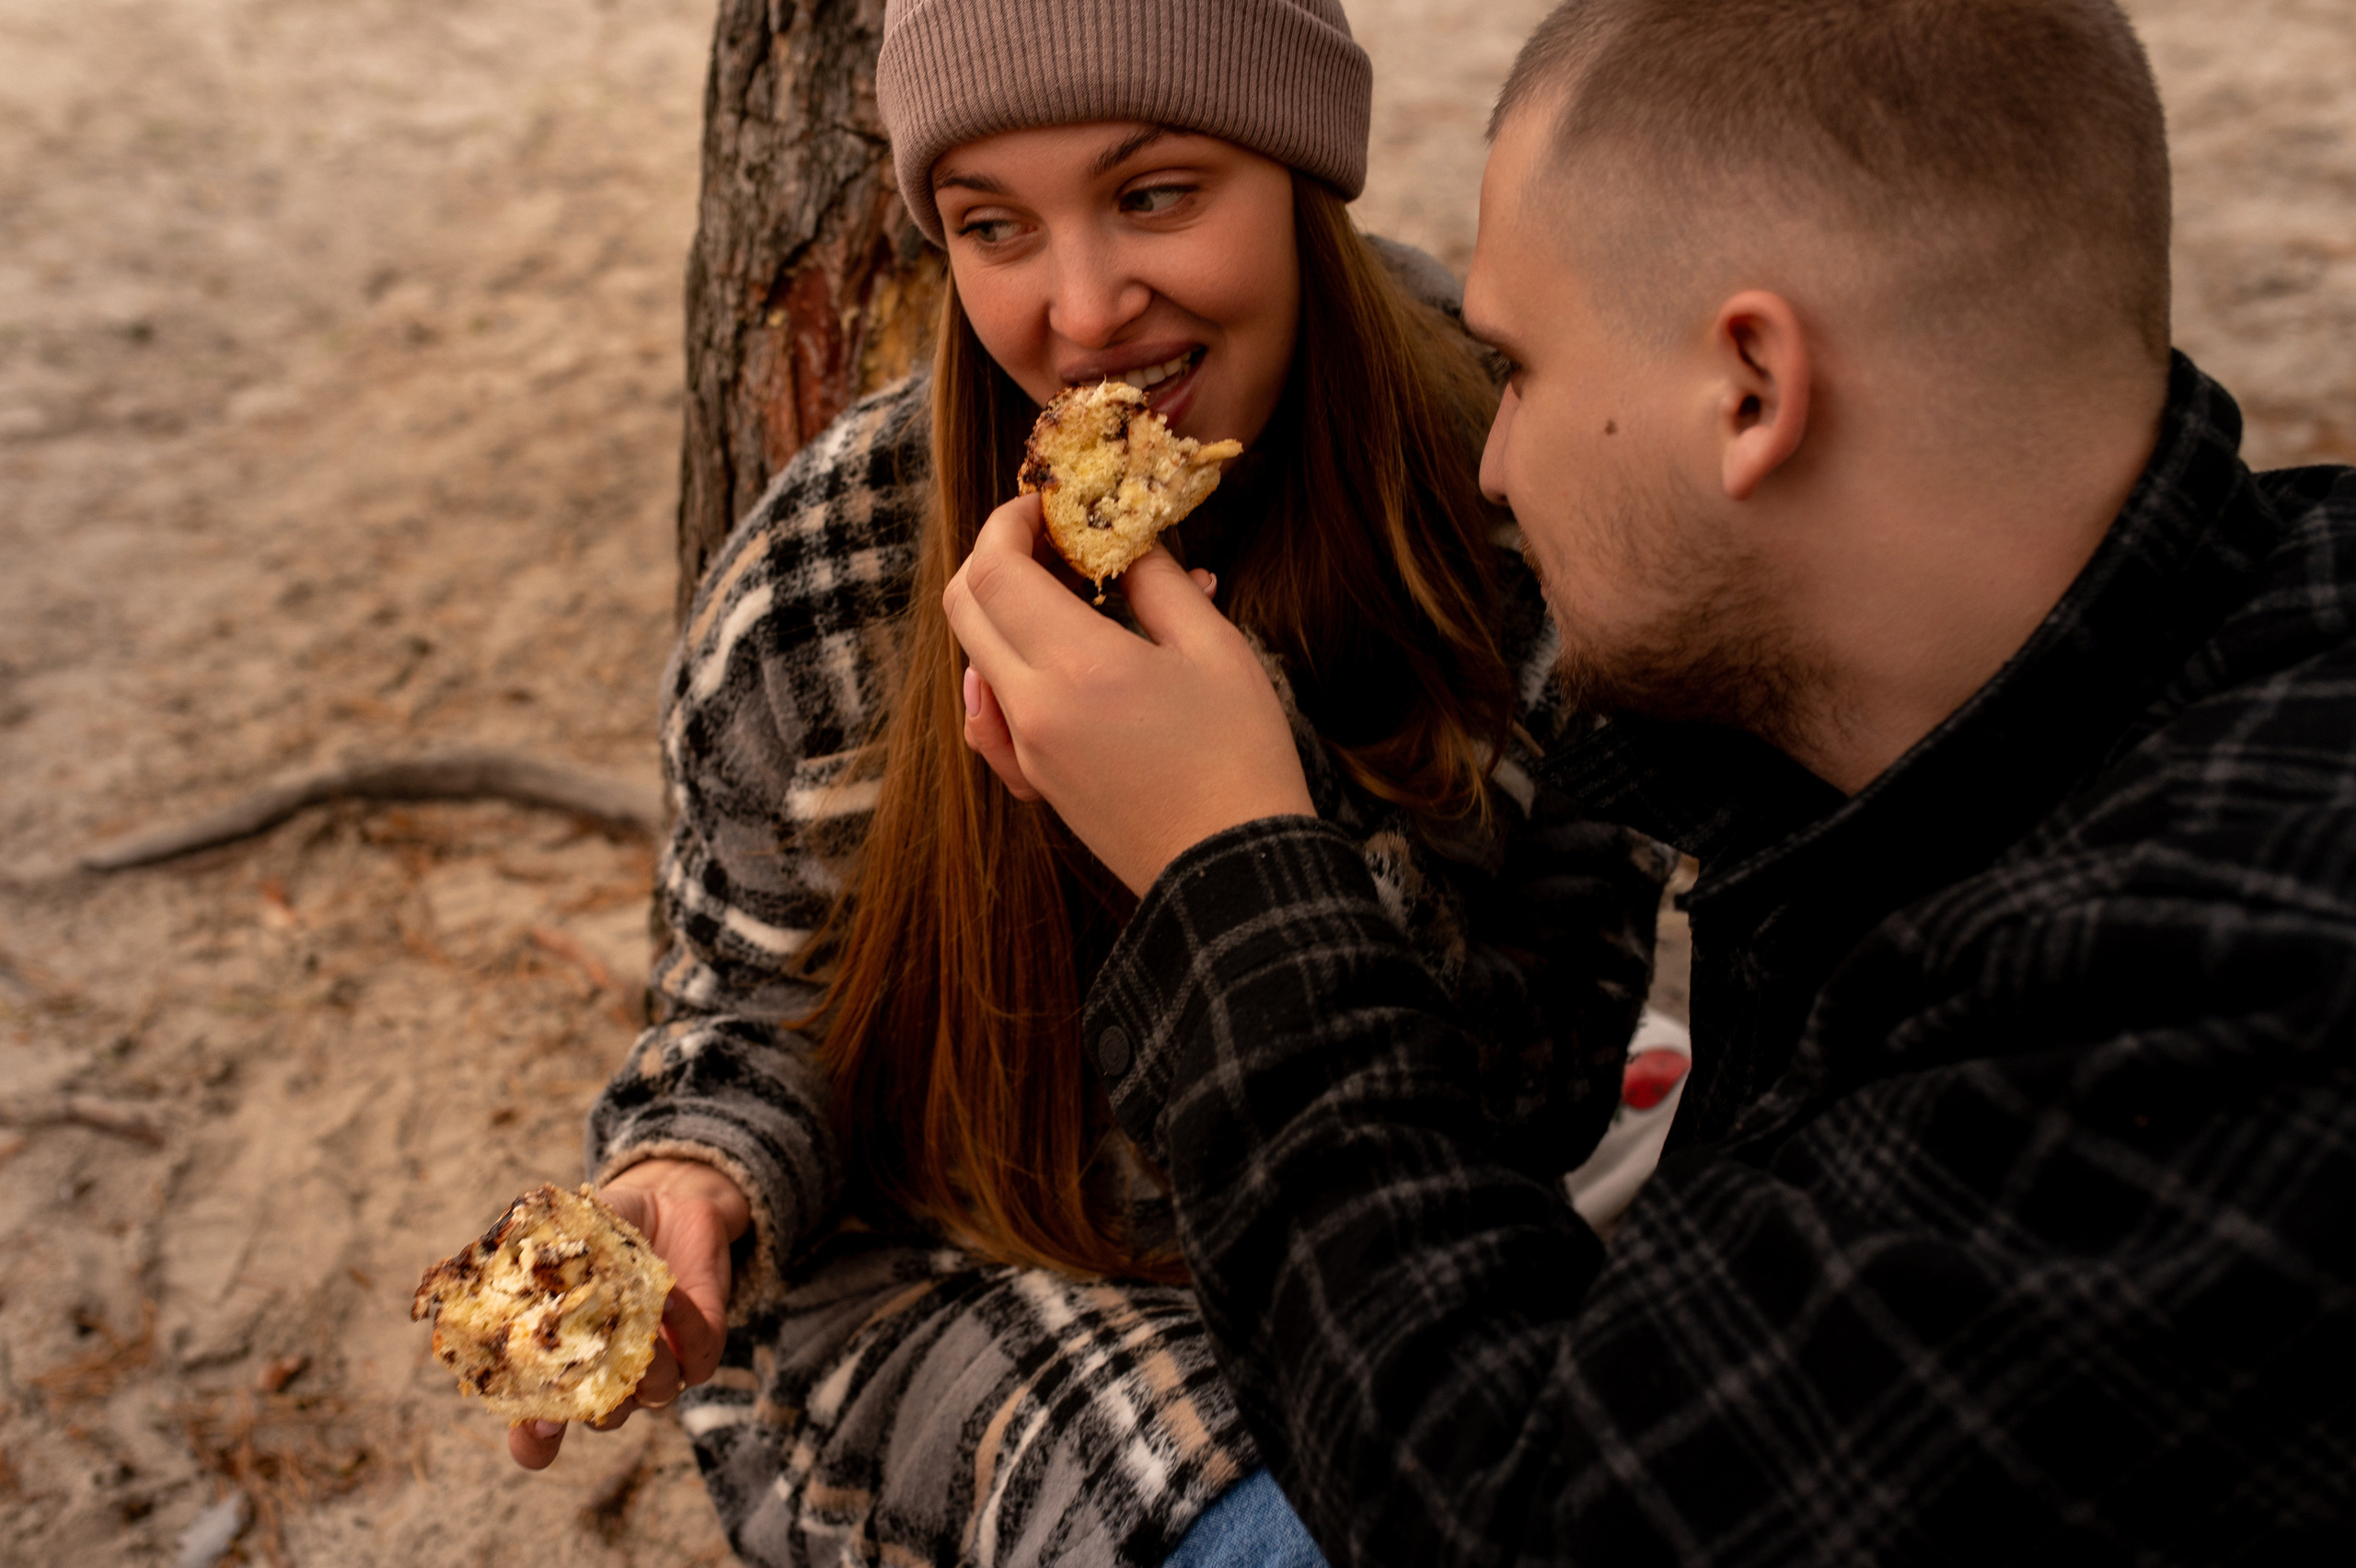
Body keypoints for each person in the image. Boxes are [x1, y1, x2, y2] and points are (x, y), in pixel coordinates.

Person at [943, 0, 2356, 1561]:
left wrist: (1228, 863)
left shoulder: (2208, 995)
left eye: (1518, 369)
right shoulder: (2058, 709)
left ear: (1750, 387)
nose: (1492, 465)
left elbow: (1537, 1515)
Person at [509, 3, 1672, 1564]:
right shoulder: (825, 587)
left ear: (1301, 171)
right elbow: (743, 1019)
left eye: (1153, 195)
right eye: (994, 225)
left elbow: (1551, 1091)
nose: (1082, 310)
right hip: (977, 1282)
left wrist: (1249, 826)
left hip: (1392, 1240)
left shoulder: (1507, 496)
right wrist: (691, 1174)